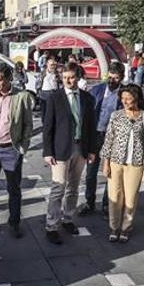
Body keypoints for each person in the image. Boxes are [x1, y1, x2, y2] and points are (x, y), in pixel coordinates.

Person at [0, 62, 36, 239]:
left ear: (9, 78)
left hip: (11, 150)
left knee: (14, 190)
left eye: (0, 79)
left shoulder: (22, 97)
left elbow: (28, 125)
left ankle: (14, 224)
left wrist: (22, 147)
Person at [42, 62, 97, 245]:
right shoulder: (54, 98)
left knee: (73, 187)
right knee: (58, 188)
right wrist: (47, 151)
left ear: (78, 77)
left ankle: (68, 219)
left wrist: (91, 150)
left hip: (80, 148)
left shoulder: (87, 98)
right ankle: (51, 225)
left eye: (71, 77)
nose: (68, 80)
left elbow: (91, 126)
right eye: (64, 77)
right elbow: (48, 127)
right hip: (60, 150)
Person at [99, 85, 144, 242]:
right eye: (122, 98)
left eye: (128, 98)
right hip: (116, 162)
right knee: (114, 196)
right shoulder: (116, 116)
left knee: (130, 197)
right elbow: (108, 139)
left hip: (135, 164)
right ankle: (114, 227)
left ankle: (126, 227)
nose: (124, 101)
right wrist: (105, 163)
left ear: (136, 98)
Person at [81, 62, 125, 216]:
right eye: (110, 77)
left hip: (113, 138)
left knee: (111, 173)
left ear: (122, 78)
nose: (112, 81)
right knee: (91, 172)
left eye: (116, 78)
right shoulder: (97, 90)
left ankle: (107, 205)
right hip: (95, 136)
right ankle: (89, 202)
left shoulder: (125, 93)